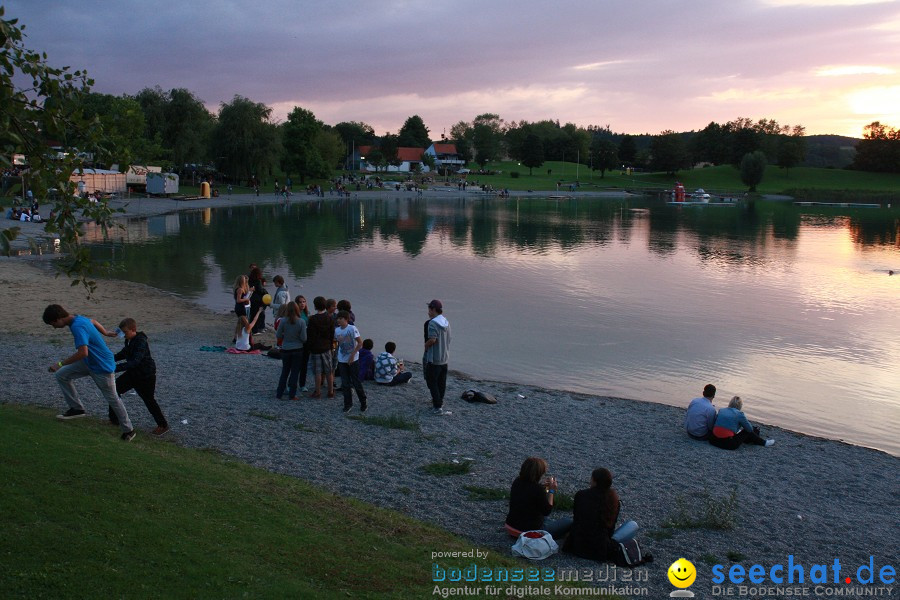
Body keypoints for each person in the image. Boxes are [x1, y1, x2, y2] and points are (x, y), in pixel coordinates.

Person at [42, 304, 135, 442]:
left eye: (52, 324)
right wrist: (105, 332)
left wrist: (59, 364)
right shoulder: (78, 318)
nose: (54, 327)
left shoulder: (77, 326)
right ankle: (77, 409)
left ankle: (129, 430)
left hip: (102, 367)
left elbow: (82, 352)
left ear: (58, 319)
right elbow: (93, 321)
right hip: (89, 362)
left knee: (113, 399)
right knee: (62, 375)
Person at [107, 318, 170, 436]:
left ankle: (163, 425)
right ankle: (113, 419)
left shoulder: (141, 341)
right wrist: (109, 359)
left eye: (125, 332)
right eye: (122, 332)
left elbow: (135, 361)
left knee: (149, 400)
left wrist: (114, 368)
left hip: (146, 375)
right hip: (133, 373)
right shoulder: (129, 340)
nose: (123, 335)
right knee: (114, 390)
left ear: (133, 330)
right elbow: (124, 353)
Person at [505, 457, 572, 539]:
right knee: (569, 521)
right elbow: (547, 510)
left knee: (546, 519)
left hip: (510, 525)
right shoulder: (537, 489)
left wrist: (544, 488)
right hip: (529, 532)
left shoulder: (517, 481)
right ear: (539, 473)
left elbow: (530, 495)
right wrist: (551, 491)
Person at [563, 468, 622, 562]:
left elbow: (576, 518)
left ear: (594, 481)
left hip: (576, 546)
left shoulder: (581, 495)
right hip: (598, 549)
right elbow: (611, 528)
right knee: (631, 525)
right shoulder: (613, 501)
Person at [709, 396, 775, 449]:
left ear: (730, 403)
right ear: (740, 405)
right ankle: (764, 443)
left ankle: (753, 440)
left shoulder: (722, 410)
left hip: (713, 440)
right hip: (728, 444)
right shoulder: (740, 414)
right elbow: (749, 429)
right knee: (750, 430)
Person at [335, 310, 367, 414]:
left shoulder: (352, 329)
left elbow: (360, 343)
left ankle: (363, 402)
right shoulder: (337, 330)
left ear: (346, 319)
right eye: (338, 318)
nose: (338, 320)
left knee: (356, 382)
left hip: (353, 360)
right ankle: (348, 404)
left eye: (340, 318)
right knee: (345, 383)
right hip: (341, 359)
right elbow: (338, 344)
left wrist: (352, 355)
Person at [423, 299, 451, 415]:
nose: (428, 312)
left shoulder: (432, 323)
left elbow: (433, 339)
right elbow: (449, 339)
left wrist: (426, 345)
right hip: (444, 358)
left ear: (433, 309)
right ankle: (439, 401)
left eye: (429, 309)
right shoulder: (446, 321)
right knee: (441, 381)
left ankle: (437, 406)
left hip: (434, 359)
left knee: (432, 381)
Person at [275, 302, 307, 401]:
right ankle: (292, 395)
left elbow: (278, 335)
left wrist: (286, 336)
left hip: (286, 349)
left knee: (285, 372)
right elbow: (304, 338)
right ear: (297, 310)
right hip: (297, 349)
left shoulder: (283, 321)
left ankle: (279, 393)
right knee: (294, 372)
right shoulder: (301, 322)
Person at [306, 296, 335, 398]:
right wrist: (331, 346)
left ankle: (317, 391)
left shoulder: (313, 319)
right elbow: (332, 334)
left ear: (315, 306)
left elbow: (310, 336)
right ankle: (330, 391)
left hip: (316, 348)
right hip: (327, 346)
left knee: (317, 371)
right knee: (329, 370)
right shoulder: (330, 318)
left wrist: (309, 347)